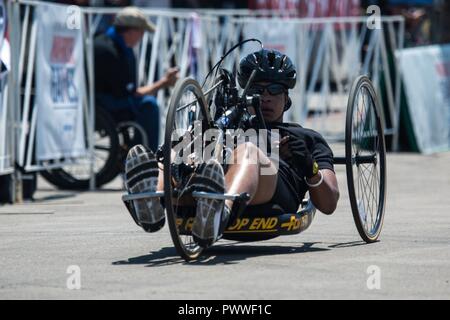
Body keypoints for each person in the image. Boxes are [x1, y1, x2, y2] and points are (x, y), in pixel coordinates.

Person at [124, 49, 339, 247]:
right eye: (257, 90)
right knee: (184, 147)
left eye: (274, 90)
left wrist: (309, 166)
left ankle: (219, 210)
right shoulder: (229, 125)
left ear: (287, 98)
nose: (265, 97)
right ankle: (152, 199)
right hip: (206, 189)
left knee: (248, 151)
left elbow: (329, 203)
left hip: (271, 197)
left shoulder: (306, 137)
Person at [94, 6, 178, 152]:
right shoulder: (111, 51)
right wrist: (163, 83)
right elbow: (133, 94)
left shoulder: (112, 43)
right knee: (149, 105)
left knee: (146, 103)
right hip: (102, 105)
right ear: (132, 31)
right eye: (142, 32)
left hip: (103, 100)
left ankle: (138, 152)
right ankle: (144, 157)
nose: (142, 37)